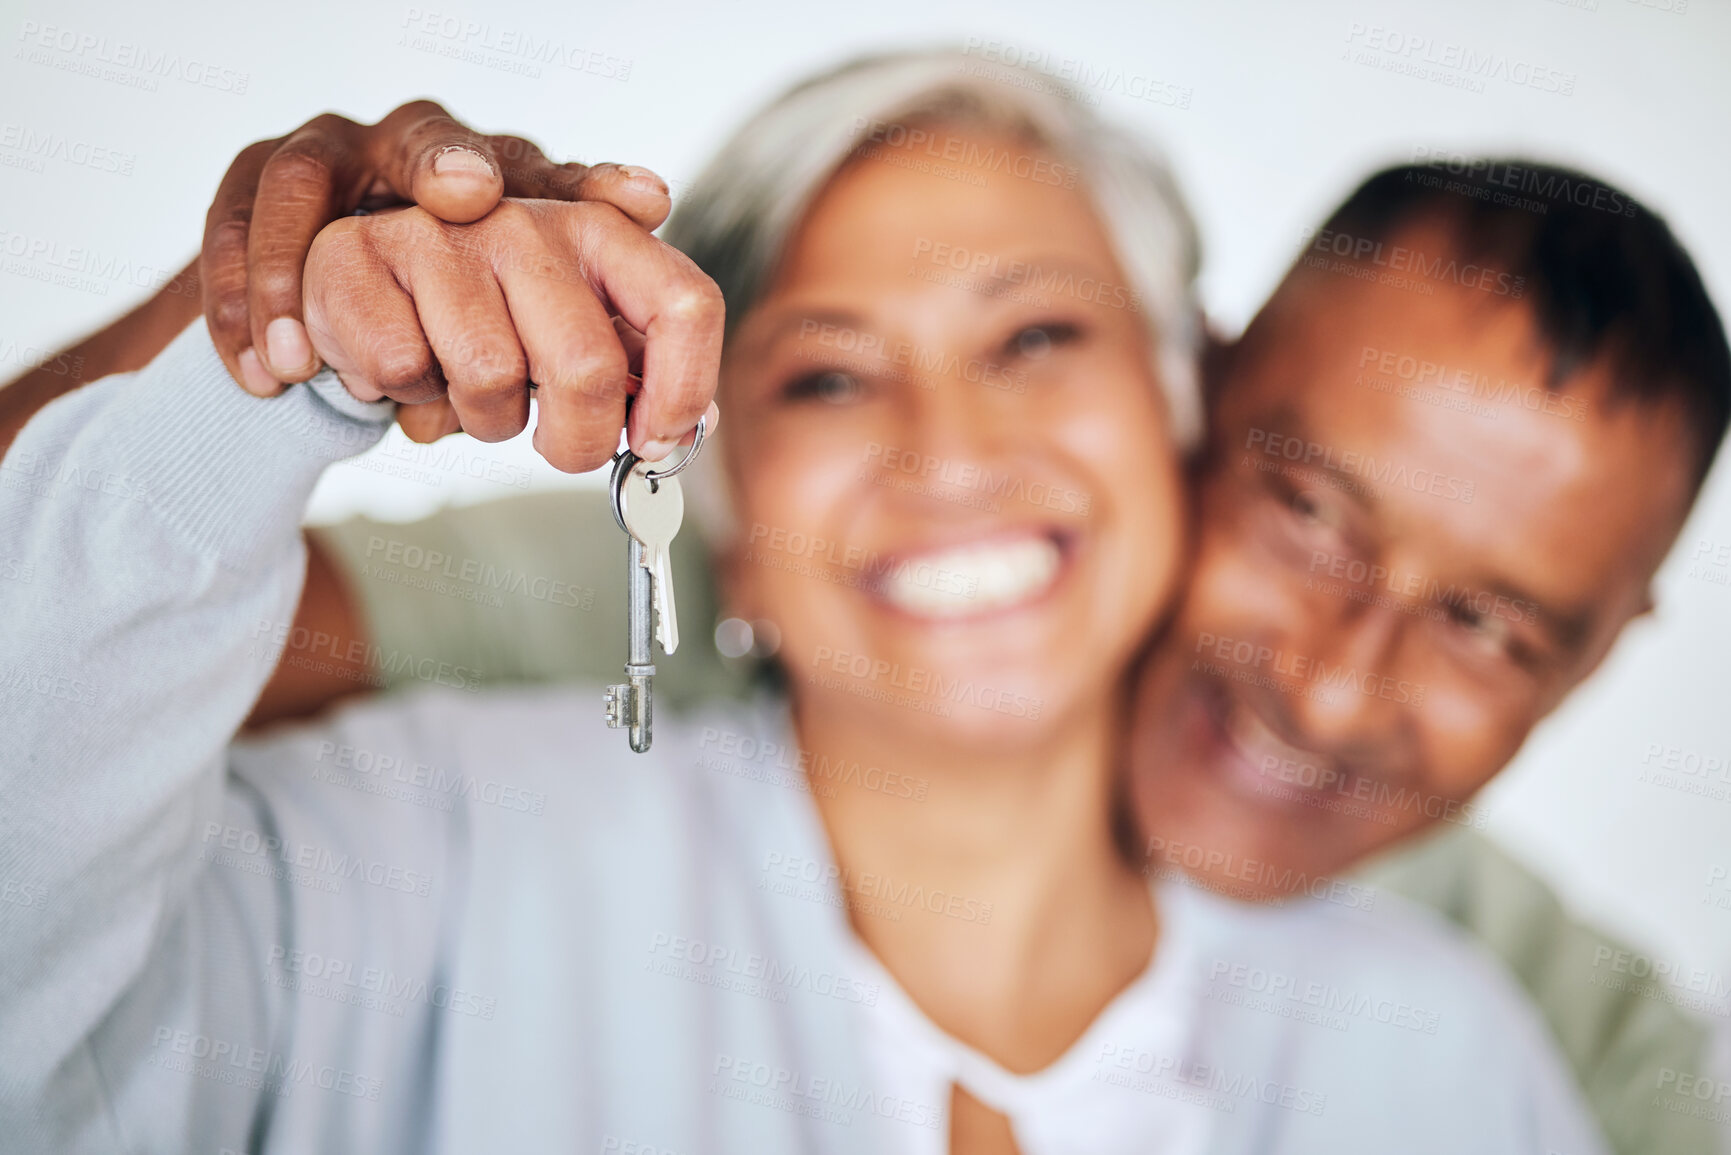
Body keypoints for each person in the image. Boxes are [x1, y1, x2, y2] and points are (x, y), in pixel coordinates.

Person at [0, 52, 1607, 1155]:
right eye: (831, 377)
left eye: (1036, 338)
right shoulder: (396, 858)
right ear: (734, 514)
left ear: (1181, 415)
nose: (950, 449)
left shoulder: (1449, 1058)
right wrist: (276, 365)